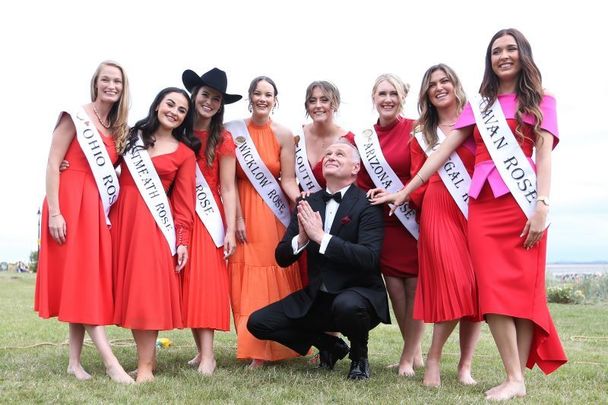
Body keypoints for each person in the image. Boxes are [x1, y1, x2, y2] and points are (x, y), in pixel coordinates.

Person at [370, 29, 567, 400]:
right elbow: (439, 155)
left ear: (523, 54)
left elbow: (543, 156)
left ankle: (517, 381)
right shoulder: (480, 106)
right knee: (491, 291)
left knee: (524, 292)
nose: (503, 56)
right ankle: (513, 377)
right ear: (489, 60)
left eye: (510, 49)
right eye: (496, 51)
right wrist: (405, 191)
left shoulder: (544, 101)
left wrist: (542, 204)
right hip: (483, 208)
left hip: (523, 205)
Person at [247, 139, 390, 380]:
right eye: (329, 154)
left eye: (340, 154)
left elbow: (368, 257)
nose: (331, 156)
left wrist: (322, 238)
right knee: (258, 323)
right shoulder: (308, 202)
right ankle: (332, 346)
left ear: (355, 168)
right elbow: (282, 257)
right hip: (318, 298)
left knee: (347, 304)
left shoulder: (367, 204)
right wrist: (302, 239)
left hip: (359, 295)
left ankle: (359, 357)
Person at [34, 60, 133, 384]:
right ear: (96, 82)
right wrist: (57, 213)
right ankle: (109, 362)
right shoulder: (74, 116)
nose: (111, 86)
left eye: (117, 81)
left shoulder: (117, 127)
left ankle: (74, 363)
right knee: (82, 281)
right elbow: (52, 162)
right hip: (70, 205)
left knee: (83, 282)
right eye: (106, 80)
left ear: (123, 87)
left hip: (95, 210)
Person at [111, 87, 199, 383]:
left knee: (146, 293)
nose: (173, 111)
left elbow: (185, 202)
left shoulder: (185, 153)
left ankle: (146, 367)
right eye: (169, 104)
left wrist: (183, 240)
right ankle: (145, 361)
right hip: (122, 221)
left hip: (154, 227)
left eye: (181, 109)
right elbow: (105, 168)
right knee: (133, 293)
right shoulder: (132, 135)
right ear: (158, 105)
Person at [345, 74, 424, 376]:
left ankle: (407, 359)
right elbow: (360, 178)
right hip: (385, 221)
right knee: (396, 291)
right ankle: (413, 355)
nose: (387, 99)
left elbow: (423, 172)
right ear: (373, 98)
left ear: (403, 97)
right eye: (382, 94)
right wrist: (370, 193)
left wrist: (400, 194)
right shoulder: (364, 138)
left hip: (411, 217)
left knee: (415, 290)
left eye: (393, 93)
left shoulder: (416, 129)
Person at [408, 64, 481, 387]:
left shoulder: (477, 120)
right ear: (426, 93)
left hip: (475, 210)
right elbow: (415, 177)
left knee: (476, 288)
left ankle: (465, 366)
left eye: (444, 81)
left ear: (455, 85)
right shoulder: (422, 133)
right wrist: (430, 196)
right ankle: (434, 359)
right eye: (432, 84)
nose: (439, 87)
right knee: (457, 282)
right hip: (438, 208)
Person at [224, 76, 303, 368]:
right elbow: (229, 182)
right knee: (248, 281)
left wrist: (302, 201)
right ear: (250, 96)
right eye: (257, 93)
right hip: (244, 215)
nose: (262, 99)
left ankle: (281, 344)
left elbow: (288, 180)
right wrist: (238, 219)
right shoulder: (233, 132)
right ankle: (256, 349)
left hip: (275, 216)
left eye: (268, 94)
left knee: (276, 276)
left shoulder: (284, 134)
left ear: (275, 99)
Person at [181, 67, 241, 375]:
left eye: (216, 99)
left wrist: (230, 228)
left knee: (205, 283)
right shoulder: (176, 128)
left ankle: (209, 356)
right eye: (205, 95)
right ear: (194, 95)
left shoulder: (223, 139)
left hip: (208, 217)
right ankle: (198, 350)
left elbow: (228, 187)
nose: (209, 103)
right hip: (178, 213)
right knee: (188, 283)